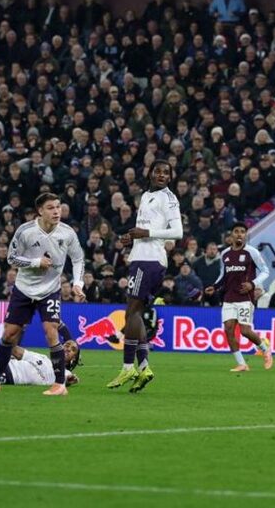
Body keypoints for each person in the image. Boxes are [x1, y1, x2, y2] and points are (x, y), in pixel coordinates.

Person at [0, 193, 85, 396]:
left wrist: (77, 283)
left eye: (58, 207)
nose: (56, 212)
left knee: (51, 330)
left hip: (50, 290)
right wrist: (36, 262)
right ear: (40, 211)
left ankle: (59, 384)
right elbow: (11, 258)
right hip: (24, 289)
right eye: (51, 208)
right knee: (9, 335)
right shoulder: (26, 231)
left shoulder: (67, 233)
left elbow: (78, 258)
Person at [106, 161, 182, 393]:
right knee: (135, 313)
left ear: (170, 177)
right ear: (150, 173)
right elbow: (145, 230)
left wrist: (146, 233)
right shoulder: (148, 195)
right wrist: (133, 237)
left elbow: (177, 232)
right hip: (142, 256)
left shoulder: (169, 199)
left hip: (149, 261)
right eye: (158, 171)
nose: (162, 175)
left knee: (132, 312)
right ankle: (145, 367)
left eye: (166, 172)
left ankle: (128, 366)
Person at [203, 222, 273, 371]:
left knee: (245, 331)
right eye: (236, 231)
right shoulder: (225, 254)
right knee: (228, 330)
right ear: (231, 235)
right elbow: (223, 275)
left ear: (246, 235)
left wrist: (253, 284)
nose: (239, 234)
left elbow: (265, 271)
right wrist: (214, 287)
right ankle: (242, 363)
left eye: (242, 231)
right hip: (228, 297)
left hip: (245, 298)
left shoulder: (251, 252)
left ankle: (265, 349)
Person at [0, 328, 80, 388]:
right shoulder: (42, 358)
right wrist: (11, 335)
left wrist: (71, 379)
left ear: (73, 360)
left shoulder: (63, 371)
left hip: (6, 374)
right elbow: (15, 350)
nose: (68, 348)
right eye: (67, 345)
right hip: (1, 362)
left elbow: (69, 378)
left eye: (73, 349)